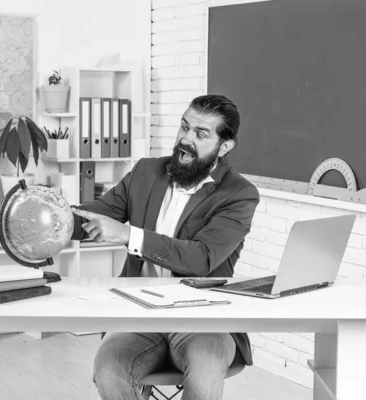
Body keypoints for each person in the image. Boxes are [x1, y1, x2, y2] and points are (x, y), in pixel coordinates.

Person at [70, 94, 260, 400]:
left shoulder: (238, 194)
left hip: (204, 319)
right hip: (138, 314)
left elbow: (202, 258)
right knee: (109, 368)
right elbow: (95, 216)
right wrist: (49, 217)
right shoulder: (146, 172)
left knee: (206, 368)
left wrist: (129, 235)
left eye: (200, 134)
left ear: (224, 147)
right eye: (184, 127)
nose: (185, 139)